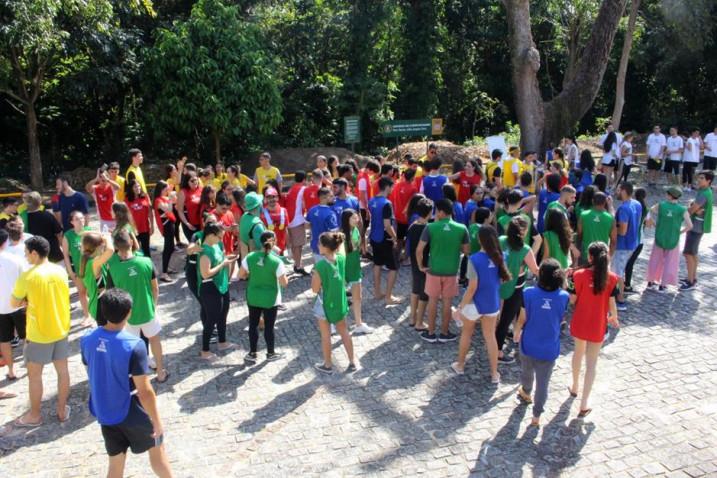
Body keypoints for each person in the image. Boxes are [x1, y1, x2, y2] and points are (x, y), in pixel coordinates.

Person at [80, 289, 173, 478]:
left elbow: (90, 367)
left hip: (105, 411)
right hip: (131, 410)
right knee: (158, 450)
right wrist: (156, 422)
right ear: (129, 312)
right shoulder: (134, 345)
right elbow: (145, 391)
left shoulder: (87, 339)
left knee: (115, 463)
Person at [11, 236, 71, 426]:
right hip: (61, 328)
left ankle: (34, 415)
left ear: (35, 253)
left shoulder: (28, 277)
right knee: (63, 372)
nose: (26, 257)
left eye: (27, 253)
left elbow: (13, 302)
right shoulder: (60, 271)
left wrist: (26, 301)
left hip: (38, 333)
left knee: (35, 376)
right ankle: (62, 409)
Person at [512, 259, 570, 426]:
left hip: (528, 343)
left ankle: (526, 391)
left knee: (526, 371)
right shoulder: (563, 297)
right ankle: (536, 416)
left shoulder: (528, 293)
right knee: (543, 383)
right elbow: (561, 317)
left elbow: (522, 319)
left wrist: (516, 332)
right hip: (549, 347)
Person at [107, 230, 169, 383]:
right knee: (154, 341)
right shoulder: (146, 262)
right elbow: (155, 288)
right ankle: (160, 372)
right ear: (132, 242)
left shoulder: (113, 267)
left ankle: (140, 379)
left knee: (132, 347)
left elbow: (112, 292)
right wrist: (153, 306)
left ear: (116, 247)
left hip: (127, 315)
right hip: (148, 310)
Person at [452, 226, 510, 383]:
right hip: (492, 303)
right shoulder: (502, 257)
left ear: (480, 240)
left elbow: (472, 288)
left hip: (474, 304)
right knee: (490, 337)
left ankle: (460, 365)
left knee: (466, 333)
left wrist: (460, 307)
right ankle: (494, 374)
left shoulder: (474, 259)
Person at [568, 241, 619, 418]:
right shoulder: (612, 278)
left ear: (590, 257)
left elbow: (572, 300)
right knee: (592, 363)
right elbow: (612, 301)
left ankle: (574, 386)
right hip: (598, 324)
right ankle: (584, 402)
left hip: (580, 321)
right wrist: (614, 316)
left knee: (577, 353)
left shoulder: (579, 274)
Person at [417, 198, 469, 343]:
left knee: (432, 301)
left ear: (440, 212)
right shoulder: (462, 228)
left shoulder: (430, 227)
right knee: (447, 302)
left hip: (433, 270)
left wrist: (421, 266)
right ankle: (445, 333)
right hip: (451, 271)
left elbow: (419, 250)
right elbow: (466, 251)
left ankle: (431, 332)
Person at [311, 232, 356, 374]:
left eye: (319, 243)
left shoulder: (320, 266)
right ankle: (352, 362)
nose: (318, 246)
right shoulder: (341, 259)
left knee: (326, 335)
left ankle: (328, 365)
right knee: (344, 332)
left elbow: (314, 289)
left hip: (325, 304)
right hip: (339, 302)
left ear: (325, 247)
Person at [495, 216, 539, 364]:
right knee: (506, 320)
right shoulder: (525, 249)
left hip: (498, 282)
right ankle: (498, 352)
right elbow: (535, 269)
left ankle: (494, 342)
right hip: (515, 286)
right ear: (524, 231)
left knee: (497, 317)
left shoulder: (500, 240)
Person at [238, 231, 287, 363]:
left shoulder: (250, 257)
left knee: (253, 324)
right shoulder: (276, 261)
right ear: (274, 242)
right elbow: (284, 283)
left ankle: (252, 353)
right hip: (271, 299)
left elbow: (240, 275)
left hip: (253, 296)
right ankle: (270, 353)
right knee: (269, 327)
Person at [196, 222, 237, 361]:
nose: (221, 240)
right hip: (210, 288)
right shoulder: (205, 252)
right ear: (211, 235)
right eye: (219, 237)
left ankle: (222, 342)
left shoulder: (216, 245)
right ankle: (205, 350)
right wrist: (222, 265)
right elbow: (205, 273)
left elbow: (221, 258)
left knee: (223, 314)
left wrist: (228, 259)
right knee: (211, 318)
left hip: (222, 285)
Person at [644, 186, 692, 291]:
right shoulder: (682, 209)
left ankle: (650, 282)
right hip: (673, 239)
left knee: (655, 260)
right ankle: (663, 285)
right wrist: (680, 232)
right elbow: (690, 225)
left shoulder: (661, 205)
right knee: (670, 263)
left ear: (670, 195)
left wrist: (653, 223)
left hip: (659, 237)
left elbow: (649, 211)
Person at [340, 209, 373, 335]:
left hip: (355, 268)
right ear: (346, 220)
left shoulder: (356, 231)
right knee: (339, 299)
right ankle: (332, 324)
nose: (357, 220)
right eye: (353, 218)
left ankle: (359, 323)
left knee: (357, 297)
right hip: (344, 269)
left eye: (357, 217)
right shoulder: (341, 235)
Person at [368, 177, 401, 304]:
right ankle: (388, 297)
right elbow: (387, 225)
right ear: (387, 187)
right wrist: (395, 239)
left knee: (377, 264)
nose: (392, 189)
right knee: (393, 267)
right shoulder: (387, 203)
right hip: (385, 239)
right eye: (392, 187)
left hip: (374, 237)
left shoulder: (372, 201)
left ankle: (377, 292)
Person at [0, 229, 26, 381]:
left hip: (0, 308)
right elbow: (25, 281)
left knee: (4, 340)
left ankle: (11, 370)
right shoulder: (15, 259)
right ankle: (29, 365)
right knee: (26, 337)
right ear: (5, 242)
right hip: (18, 304)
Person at [682, 170, 714, 291]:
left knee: (688, 253)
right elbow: (694, 206)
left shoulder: (704, 193)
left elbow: (692, 210)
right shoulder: (704, 191)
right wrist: (693, 206)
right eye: (699, 177)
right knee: (693, 253)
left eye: (702, 178)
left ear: (708, 181)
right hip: (698, 226)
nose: (698, 180)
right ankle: (692, 278)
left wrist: (689, 209)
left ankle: (690, 281)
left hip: (696, 227)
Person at [613, 182, 642, 309]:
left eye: (618, 190)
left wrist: (612, 231)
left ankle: (620, 300)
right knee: (620, 270)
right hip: (633, 243)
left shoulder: (623, 208)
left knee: (617, 273)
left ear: (624, 191)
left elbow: (623, 231)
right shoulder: (637, 203)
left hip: (622, 245)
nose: (616, 192)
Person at [406, 198, 433, 332]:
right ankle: (419, 322)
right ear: (430, 212)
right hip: (423, 263)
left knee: (415, 290)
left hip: (414, 264)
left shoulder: (413, 225)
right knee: (424, 293)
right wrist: (422, 265)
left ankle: (412, 318)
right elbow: (420, 251)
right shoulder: (427, 228)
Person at [61, 211, 92, 325]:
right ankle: (87, 316)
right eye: (78, 219)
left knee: (94, 293)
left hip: (93, 270)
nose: (81, 221)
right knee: (82, 293)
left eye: (82, 218)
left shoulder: (89, 231)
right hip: (79, 271)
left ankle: (100, 315)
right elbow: (65, 255)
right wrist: (70, 271)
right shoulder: (68, 235)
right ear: (72, 222)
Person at [79, 232, 114, 325]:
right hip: (100, 305)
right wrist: (108, 238)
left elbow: (85, 236)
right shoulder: (94, 262)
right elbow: (110, 250)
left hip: (96, 304)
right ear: (97, 247)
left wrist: (100, 235)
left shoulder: (86, 257)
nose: (104, 247)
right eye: (102, 246)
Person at [24, 191, 64, 263]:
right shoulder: (47, 215)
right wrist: (62, 246)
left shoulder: (23, 219)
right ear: (40, 202)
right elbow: (59, 232)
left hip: (35, 255)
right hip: (53, 252)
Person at [577, 192, 616, 260]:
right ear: (605, 202)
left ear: (592, 201)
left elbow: (579, 234)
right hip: (602, 256)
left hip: (586, 254)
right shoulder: (610, 218)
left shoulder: (583, 215)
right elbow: (613, 241)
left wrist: (578, 249)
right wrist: (609, 255)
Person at [623, 187, 647, 293]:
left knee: (623, 262)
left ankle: (623, 283)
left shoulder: (631, 207)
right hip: (639, 239)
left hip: (627, 238)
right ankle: (627, 285)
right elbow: (648, 223)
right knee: (630, 263)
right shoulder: (645, 209)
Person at [285, 170, 309, 275]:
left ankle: (297, 263)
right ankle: (298, 266)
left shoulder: (291, 189)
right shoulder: (304, 189)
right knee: (298, 245)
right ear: (304, 179)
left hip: (289, 219)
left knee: (295, 244)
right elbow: (304, 205)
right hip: (297, 219)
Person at [153, 181, 177, 282]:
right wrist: (171, 199)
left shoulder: (165, 198)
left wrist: (172, 197)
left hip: (170, 224)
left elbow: (175, 202)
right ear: (161, 189)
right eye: (166, 189)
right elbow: (169, 210)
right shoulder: (158, 200)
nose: (168, 191)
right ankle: (164, 273)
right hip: (166, 226)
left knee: (171, 247)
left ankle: (166, 268)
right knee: (168, 248)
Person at [85, 166, 121, 232]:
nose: (102, 178)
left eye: (104, 176)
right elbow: (87, 188)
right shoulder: (95, 189)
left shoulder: (111, 187)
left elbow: (118, 187)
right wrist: (96, 179)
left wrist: (108, 180)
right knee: (106, 239)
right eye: (101, 177)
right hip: (104, 220)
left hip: (115, 218)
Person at [357, 160, 381, 255]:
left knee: (363, 228)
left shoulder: (364, 174)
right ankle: (363, 251)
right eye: (373, 172)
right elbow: (362, 195)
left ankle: (362, 248)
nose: (373, 174)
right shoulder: (363, 179)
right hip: (363, 207)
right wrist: (367, 210)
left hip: (363, 206)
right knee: (363, 228)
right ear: (370, 170)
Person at [126, 179, 154, 259]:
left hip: (145, 228)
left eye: (139, 186)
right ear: (131, 188)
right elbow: (127, 216)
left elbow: (150, 213)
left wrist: (152, 226)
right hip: (133, 230)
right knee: (135, 251)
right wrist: (132, 229)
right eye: (135, 186)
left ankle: (149, 269)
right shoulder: (127, 200)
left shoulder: (145, 196)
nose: (138, 188)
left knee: (146, 250)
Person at [239, 191, 267, 258]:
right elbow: (263, 249)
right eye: (261, 202)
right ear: (258, 205)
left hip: (246, 260)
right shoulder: (257, 226)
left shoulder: (244, 216)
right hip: (255, 263)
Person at [177, 171, 203, 241]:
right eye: (192, 181)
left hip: (201, 222)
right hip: (190, 223)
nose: (195, 182)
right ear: (187, 182)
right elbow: (180, 211)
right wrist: (187, 223)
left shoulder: (201, 189)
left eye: (196, 180)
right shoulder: (183, 192)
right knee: (194, 245)